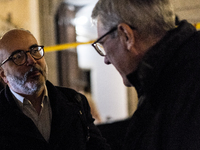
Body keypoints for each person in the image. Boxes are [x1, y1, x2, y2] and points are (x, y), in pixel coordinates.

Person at [91, 0, 200, 149]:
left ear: (126, 35)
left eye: (103, 44)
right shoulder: (173, 77)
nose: (106, 59)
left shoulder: (182, 87)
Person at [0, 29, 110, 150]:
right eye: (18, 56)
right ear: (3, 74)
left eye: (34, 50)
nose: (32, 60)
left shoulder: (75, 102)